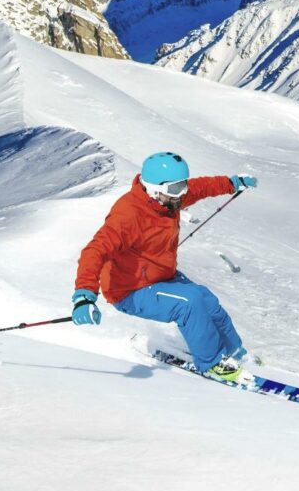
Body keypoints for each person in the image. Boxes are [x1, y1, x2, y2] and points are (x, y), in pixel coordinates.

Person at [70, 151, 258, 381]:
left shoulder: (168, 201)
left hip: (161, 277)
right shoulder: (128, 215)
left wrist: (232, 183)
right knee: (190, 303)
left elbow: (200, 187)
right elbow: (95, 250)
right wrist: (84, 296)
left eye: (182, 186)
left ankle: (234, 352)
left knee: (206, 298)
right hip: (129, 290)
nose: (182, 194)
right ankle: (213, 364)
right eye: (175, 189)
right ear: (153, 189)